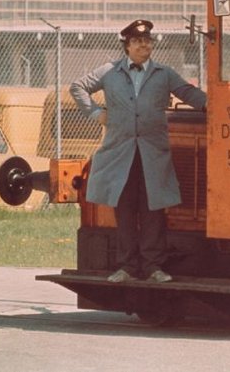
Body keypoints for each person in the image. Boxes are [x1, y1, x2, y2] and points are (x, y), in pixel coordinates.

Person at [70, 19, 206, 283]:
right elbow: (78, 87)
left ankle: (154, 267)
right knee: (125, 209)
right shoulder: (109, 71)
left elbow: (188, 92)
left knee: (153, 209)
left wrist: (213, 103)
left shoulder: (163, 74)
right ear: (127, 46)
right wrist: (96, 112)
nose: (144, 45)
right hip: (120, 154)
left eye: (147, 41)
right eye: (138, 41)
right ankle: (127, 267)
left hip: (152, 155)